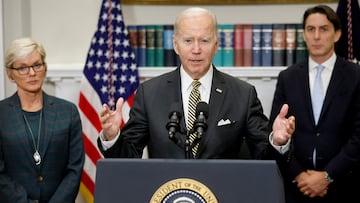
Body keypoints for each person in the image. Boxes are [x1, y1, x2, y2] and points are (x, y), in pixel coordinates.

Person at [98, 7, 294, 160]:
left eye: (205, 40)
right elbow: (127, 158)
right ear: (176, 45)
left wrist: (277, 142)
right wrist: (112, 137)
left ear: (216, 45)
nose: (196, 49)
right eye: (188, 40)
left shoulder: (243, 94)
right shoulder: (149, 93)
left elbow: (264, 157)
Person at [269, 5, 360, 203]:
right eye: (311, 29)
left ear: (337, 35)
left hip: (343, 185)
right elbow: (276, 132)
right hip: (296, 188)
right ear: (304, 35)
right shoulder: (287, 77)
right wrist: (300, 175)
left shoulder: (355, 76)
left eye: (324, 29)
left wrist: (327, 176)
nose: (316, 36)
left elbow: (358, 136)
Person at [0, 37, 85, 203]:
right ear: (10, 74)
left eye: (37, 65)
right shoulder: (1, 114)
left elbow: (74, 169)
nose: (32, 73)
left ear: (45, 68)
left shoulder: (68, 112)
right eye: (23, 68)